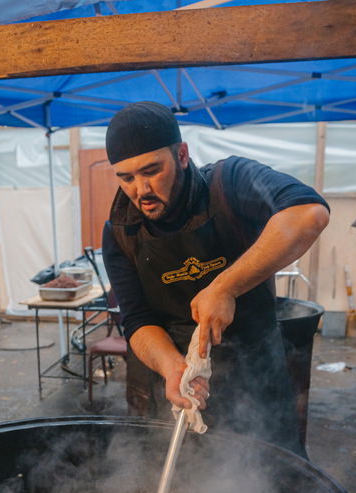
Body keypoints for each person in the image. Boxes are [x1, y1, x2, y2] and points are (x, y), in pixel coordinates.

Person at [102, 101, 329, 453]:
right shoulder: (120, 232)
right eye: (126, 178)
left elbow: (308, 214)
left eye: (151, 171)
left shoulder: (229, 183)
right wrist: (172, 367)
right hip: (177, 382)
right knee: (185, 480)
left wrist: (224, 287)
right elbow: (137, 320)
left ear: (181, 154)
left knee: (275, 478)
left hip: (256, 380)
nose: (140, 190)